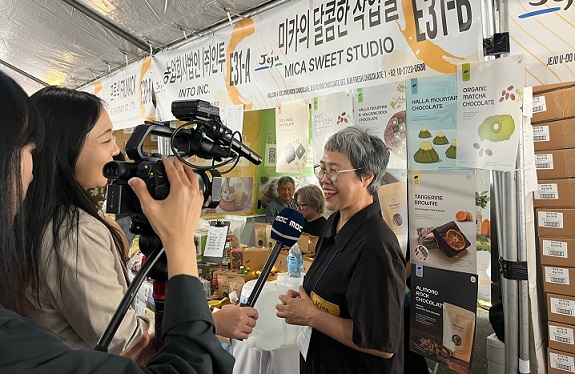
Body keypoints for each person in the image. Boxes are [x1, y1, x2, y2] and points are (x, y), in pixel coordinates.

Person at [0, 70, 234, 371]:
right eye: (107, 138)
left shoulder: (35, 223)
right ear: (65, 147)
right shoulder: (71, 232)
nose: (116, 149)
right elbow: (130, 345)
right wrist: (179, 242)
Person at [276, 127, 406, 373]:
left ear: (366, 176)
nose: (324, 178)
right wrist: (306, 301)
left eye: (334, 170)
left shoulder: (376, 245)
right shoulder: (333, 224)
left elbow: (381, 342)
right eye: (323, 168)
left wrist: (311, 315)